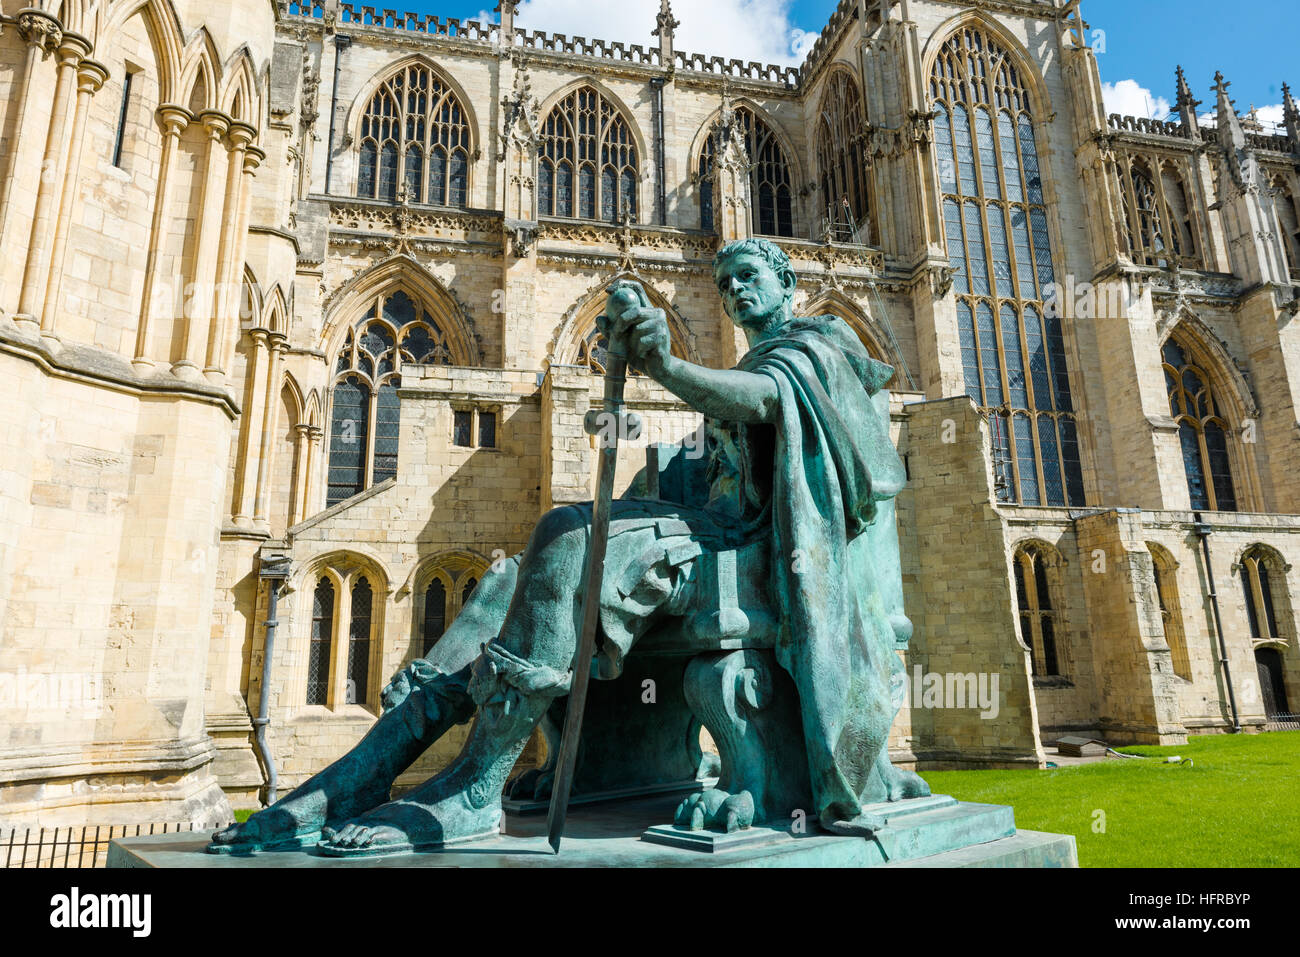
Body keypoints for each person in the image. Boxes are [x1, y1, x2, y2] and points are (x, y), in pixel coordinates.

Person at [209, 237, 926, 857]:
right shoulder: (760, 362)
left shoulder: (820, 347)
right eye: (726, 281)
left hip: (764, 559)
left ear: (788, 286)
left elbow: (760, 400)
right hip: (715, 540)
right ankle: (364, 770)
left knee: (566, 532)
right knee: (506, 580)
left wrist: (667, 369)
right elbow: (715, 447)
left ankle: (471, 788)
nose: (735, 290)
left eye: (749, 277)